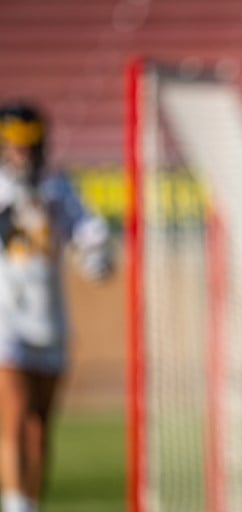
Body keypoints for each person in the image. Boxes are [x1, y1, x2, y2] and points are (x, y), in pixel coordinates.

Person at [0, 101, 112, 512]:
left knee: (39, 429)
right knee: (13, 418)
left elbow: (90, 234)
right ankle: (15, 506)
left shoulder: (58, 187)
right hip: (6, 321)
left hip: (50, 323)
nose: (23, 155)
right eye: (16, 147)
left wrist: (96, 255)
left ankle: (30, 503)